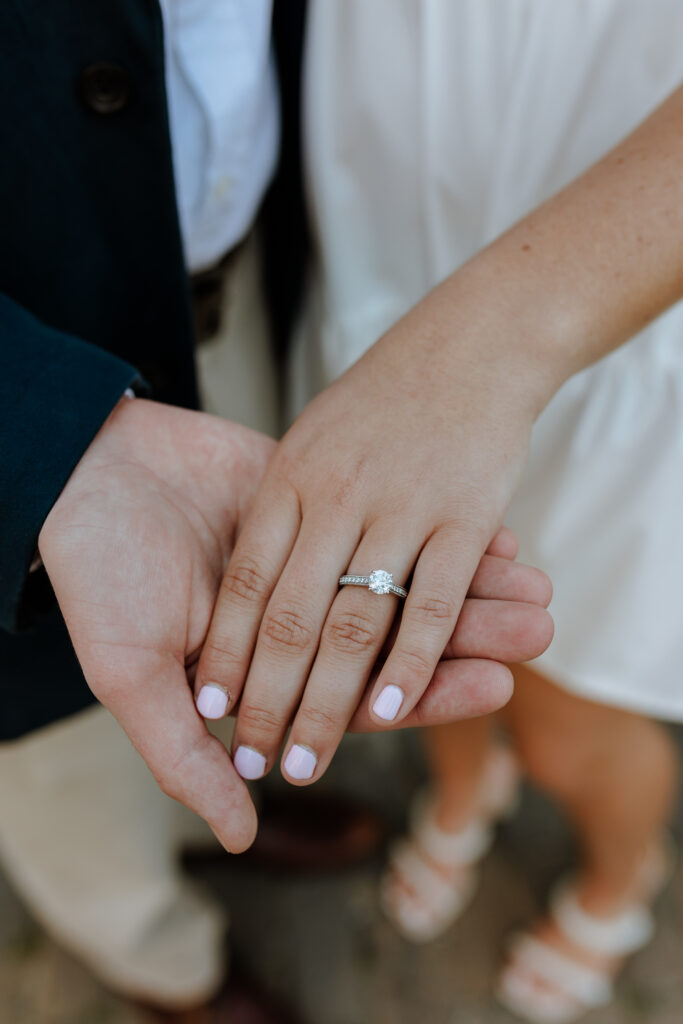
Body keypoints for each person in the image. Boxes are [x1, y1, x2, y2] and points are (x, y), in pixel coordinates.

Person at [0, 3, 553, 1020]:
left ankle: (216, 816)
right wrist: (34, 433)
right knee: (57, 765)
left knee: (234, 628)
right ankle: (157, 957)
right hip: (28, 346)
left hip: (246, 273)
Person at [190, 1, 683, 1020]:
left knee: (567, 705)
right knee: (408, 656)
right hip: (391, 179)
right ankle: (461, 789)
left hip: (626, 218)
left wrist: (484, 351)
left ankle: (614, 880)